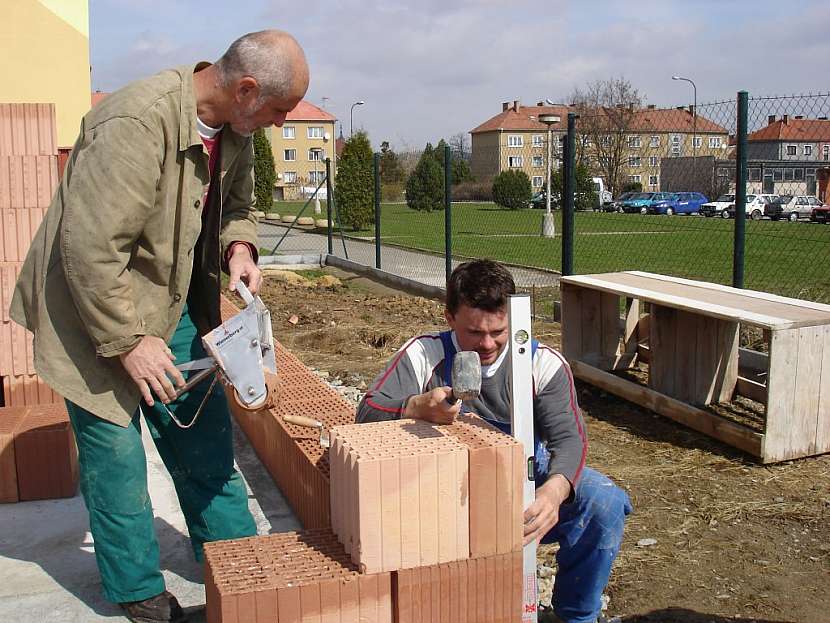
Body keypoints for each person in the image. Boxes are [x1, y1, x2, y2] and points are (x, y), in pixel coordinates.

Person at [11, 30, 310, 622]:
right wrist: (126, 343)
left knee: (203, 441)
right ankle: (139, 593)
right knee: (117, 464)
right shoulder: (134, 124)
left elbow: (238, 208)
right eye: (279, 111)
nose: (280, 124)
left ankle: (239, 563)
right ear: (246, 90)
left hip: (168, 301)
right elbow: (88, 251)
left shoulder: (236, 129)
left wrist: (240, 250)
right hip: (91, 311)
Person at [356, 259, 632, 623]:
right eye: (473, 332)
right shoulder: (425, 354)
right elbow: (366, 411)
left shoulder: (542, 364)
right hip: (440, 489)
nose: (487, 344)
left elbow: (569, 439)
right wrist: (414, 406)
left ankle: (576, 616)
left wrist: (554, 492)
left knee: (603, 503)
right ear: (449, 317)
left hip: (521, 480)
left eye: (498, 331)